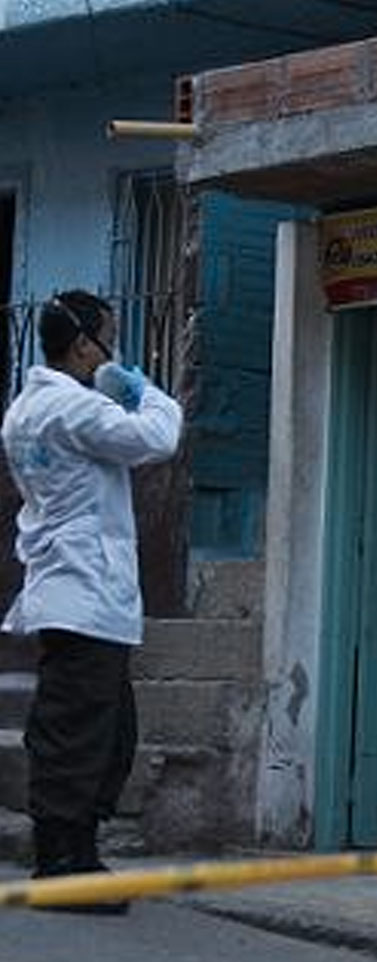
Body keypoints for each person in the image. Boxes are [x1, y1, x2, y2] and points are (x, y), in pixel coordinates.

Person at [3, 290, 182, 913]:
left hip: (74, 588)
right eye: (109, 339)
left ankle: (79, 851)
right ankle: (61, 864)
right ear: (84, 347)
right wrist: (137, 387)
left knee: (106, 731)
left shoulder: (25, 409)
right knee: (79, 733)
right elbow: (159, 436)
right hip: (84, 590)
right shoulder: (75, 409)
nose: (114, 351)